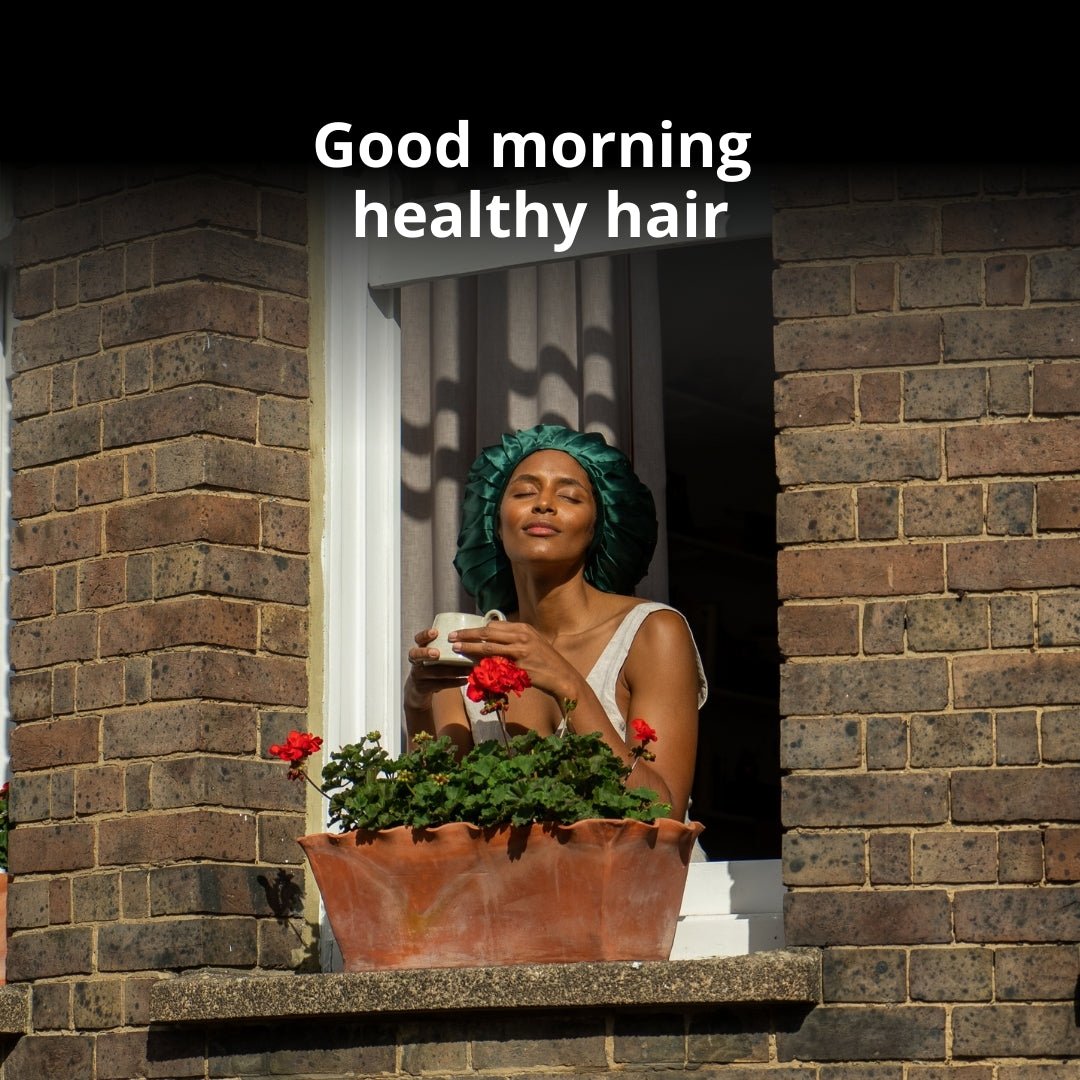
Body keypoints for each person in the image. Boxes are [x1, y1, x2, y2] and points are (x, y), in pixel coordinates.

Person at [403, 425, 706, 822]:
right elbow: (438, 819)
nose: (543, 504)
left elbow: (662, 814)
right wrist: (417, 702)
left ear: (599, 526)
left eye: (569, 496)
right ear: (494, 521)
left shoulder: (652, 633)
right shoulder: (468, 651)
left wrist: (568, 683)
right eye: (525, 492)